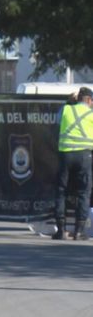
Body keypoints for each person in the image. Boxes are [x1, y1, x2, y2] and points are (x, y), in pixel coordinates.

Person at [53, 86, 93, 240]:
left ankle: (61, 231)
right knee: (83, 192)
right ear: (89, 100)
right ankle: (79, 231)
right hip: (84, 156)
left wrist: (68, 102)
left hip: (65, 155)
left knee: (61, 190)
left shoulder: (66, 110)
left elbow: (57, 122)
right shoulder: (91, 113)